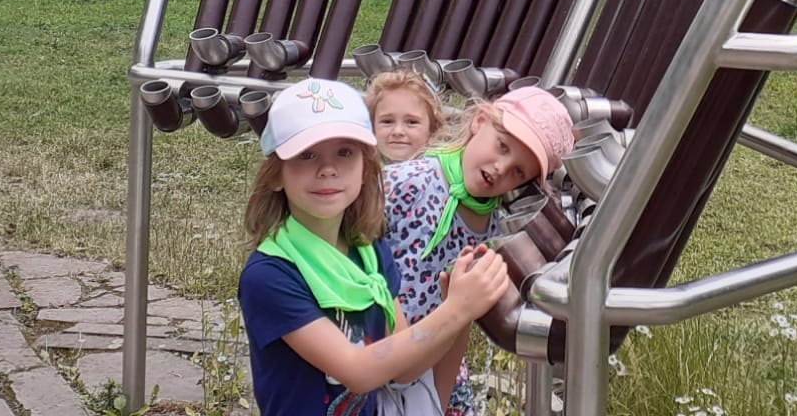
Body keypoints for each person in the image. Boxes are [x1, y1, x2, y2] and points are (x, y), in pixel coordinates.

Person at [239, 77, 509, 416]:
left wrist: (459, 313)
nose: (328, 169)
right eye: (306, 154)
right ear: (277, 174)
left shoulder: (369, 252)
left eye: (345, 152)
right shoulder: (270, 275)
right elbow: (358, 371)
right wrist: (456, 309)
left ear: (366, 166)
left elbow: (403, 371)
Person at [382, 87, 575, 415]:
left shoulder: (496, 232)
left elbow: (463, 322)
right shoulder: (406, 182)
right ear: (479, 121)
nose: (501, 168)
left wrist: (437, 404)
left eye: (519, 171)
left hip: (435, 369)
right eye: (502, 146)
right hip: (376, 351)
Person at [365, 71, 445, 164]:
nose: (397, 131)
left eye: (412, 122)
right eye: (387, 121)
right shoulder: (358, 168)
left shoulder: (444, 169)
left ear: (433, 128)